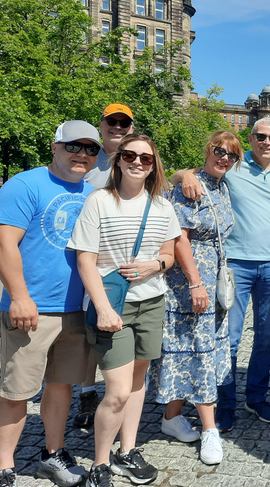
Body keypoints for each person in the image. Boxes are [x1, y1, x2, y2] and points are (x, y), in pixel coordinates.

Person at [0, 120, 100, 487]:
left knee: (61, 386)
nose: (81, 154)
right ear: (55, 146)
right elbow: (3, 245)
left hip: (75, 308)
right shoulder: (25, 184)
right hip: (31, 309)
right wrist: (20, 297)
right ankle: (4, 468)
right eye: (73, 146)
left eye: (90, 149)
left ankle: (52, 455)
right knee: (16, 391)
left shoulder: (91, 193)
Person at [70, 134, 181, 487]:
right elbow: (85, 260)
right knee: (117, 390)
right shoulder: (99, 201)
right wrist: (102, 307)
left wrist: (155, 266)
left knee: (137, 384)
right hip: (112, 306)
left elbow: (170, 254)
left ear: (153, 166)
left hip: (151, 302)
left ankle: (127, 451)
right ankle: (100, 462)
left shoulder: (162, 205)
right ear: (118, 160)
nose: (137, 162)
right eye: (130, 155)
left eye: (145, 158)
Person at [171, 117, 270, 430]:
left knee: (265, 338)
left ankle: (257, 397)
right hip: (234, 265)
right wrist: (185, 175)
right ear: (251, 139)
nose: (267, 143)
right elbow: (188, 172)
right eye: (261, 137)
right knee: (229, 340)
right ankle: (225, 405)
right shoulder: (234, 163)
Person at [148, 131, 242, 465]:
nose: (225, 158)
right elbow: (179, 239)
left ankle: (172, 418)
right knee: (199, 350)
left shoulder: (223, 186)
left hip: (212, 278)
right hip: (189, 280)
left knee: (195, 347)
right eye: (219, 151)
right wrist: (195, 283)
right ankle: (209, 429)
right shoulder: (191, 186)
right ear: (208, 150)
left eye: (232, 155)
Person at [75, 103, 136, 430]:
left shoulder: (138, 159)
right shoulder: (87, 160)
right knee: (89, 331)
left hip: (128, 260)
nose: (117, 127)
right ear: (101, 125)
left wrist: (184, 175)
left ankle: (122, 390)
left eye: (123, 123)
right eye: (111, 122)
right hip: (92, 257)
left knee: (124, 326)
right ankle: (87, 392)